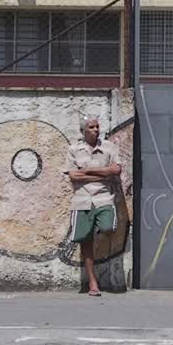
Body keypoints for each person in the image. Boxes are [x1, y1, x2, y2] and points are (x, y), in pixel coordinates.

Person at [64, 115, 122, 296]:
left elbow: (116, 170)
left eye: (97, 126)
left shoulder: (109, 147)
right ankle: (93, 283)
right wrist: (102, 175)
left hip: (104, 198)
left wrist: (86, 170)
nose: (96, 129)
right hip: (82, 200)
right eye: (91, 127)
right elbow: (73, 176)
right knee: (85, 243)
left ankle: (95, 227)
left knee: (108, 227)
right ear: (83, 131)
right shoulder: (74, 149)